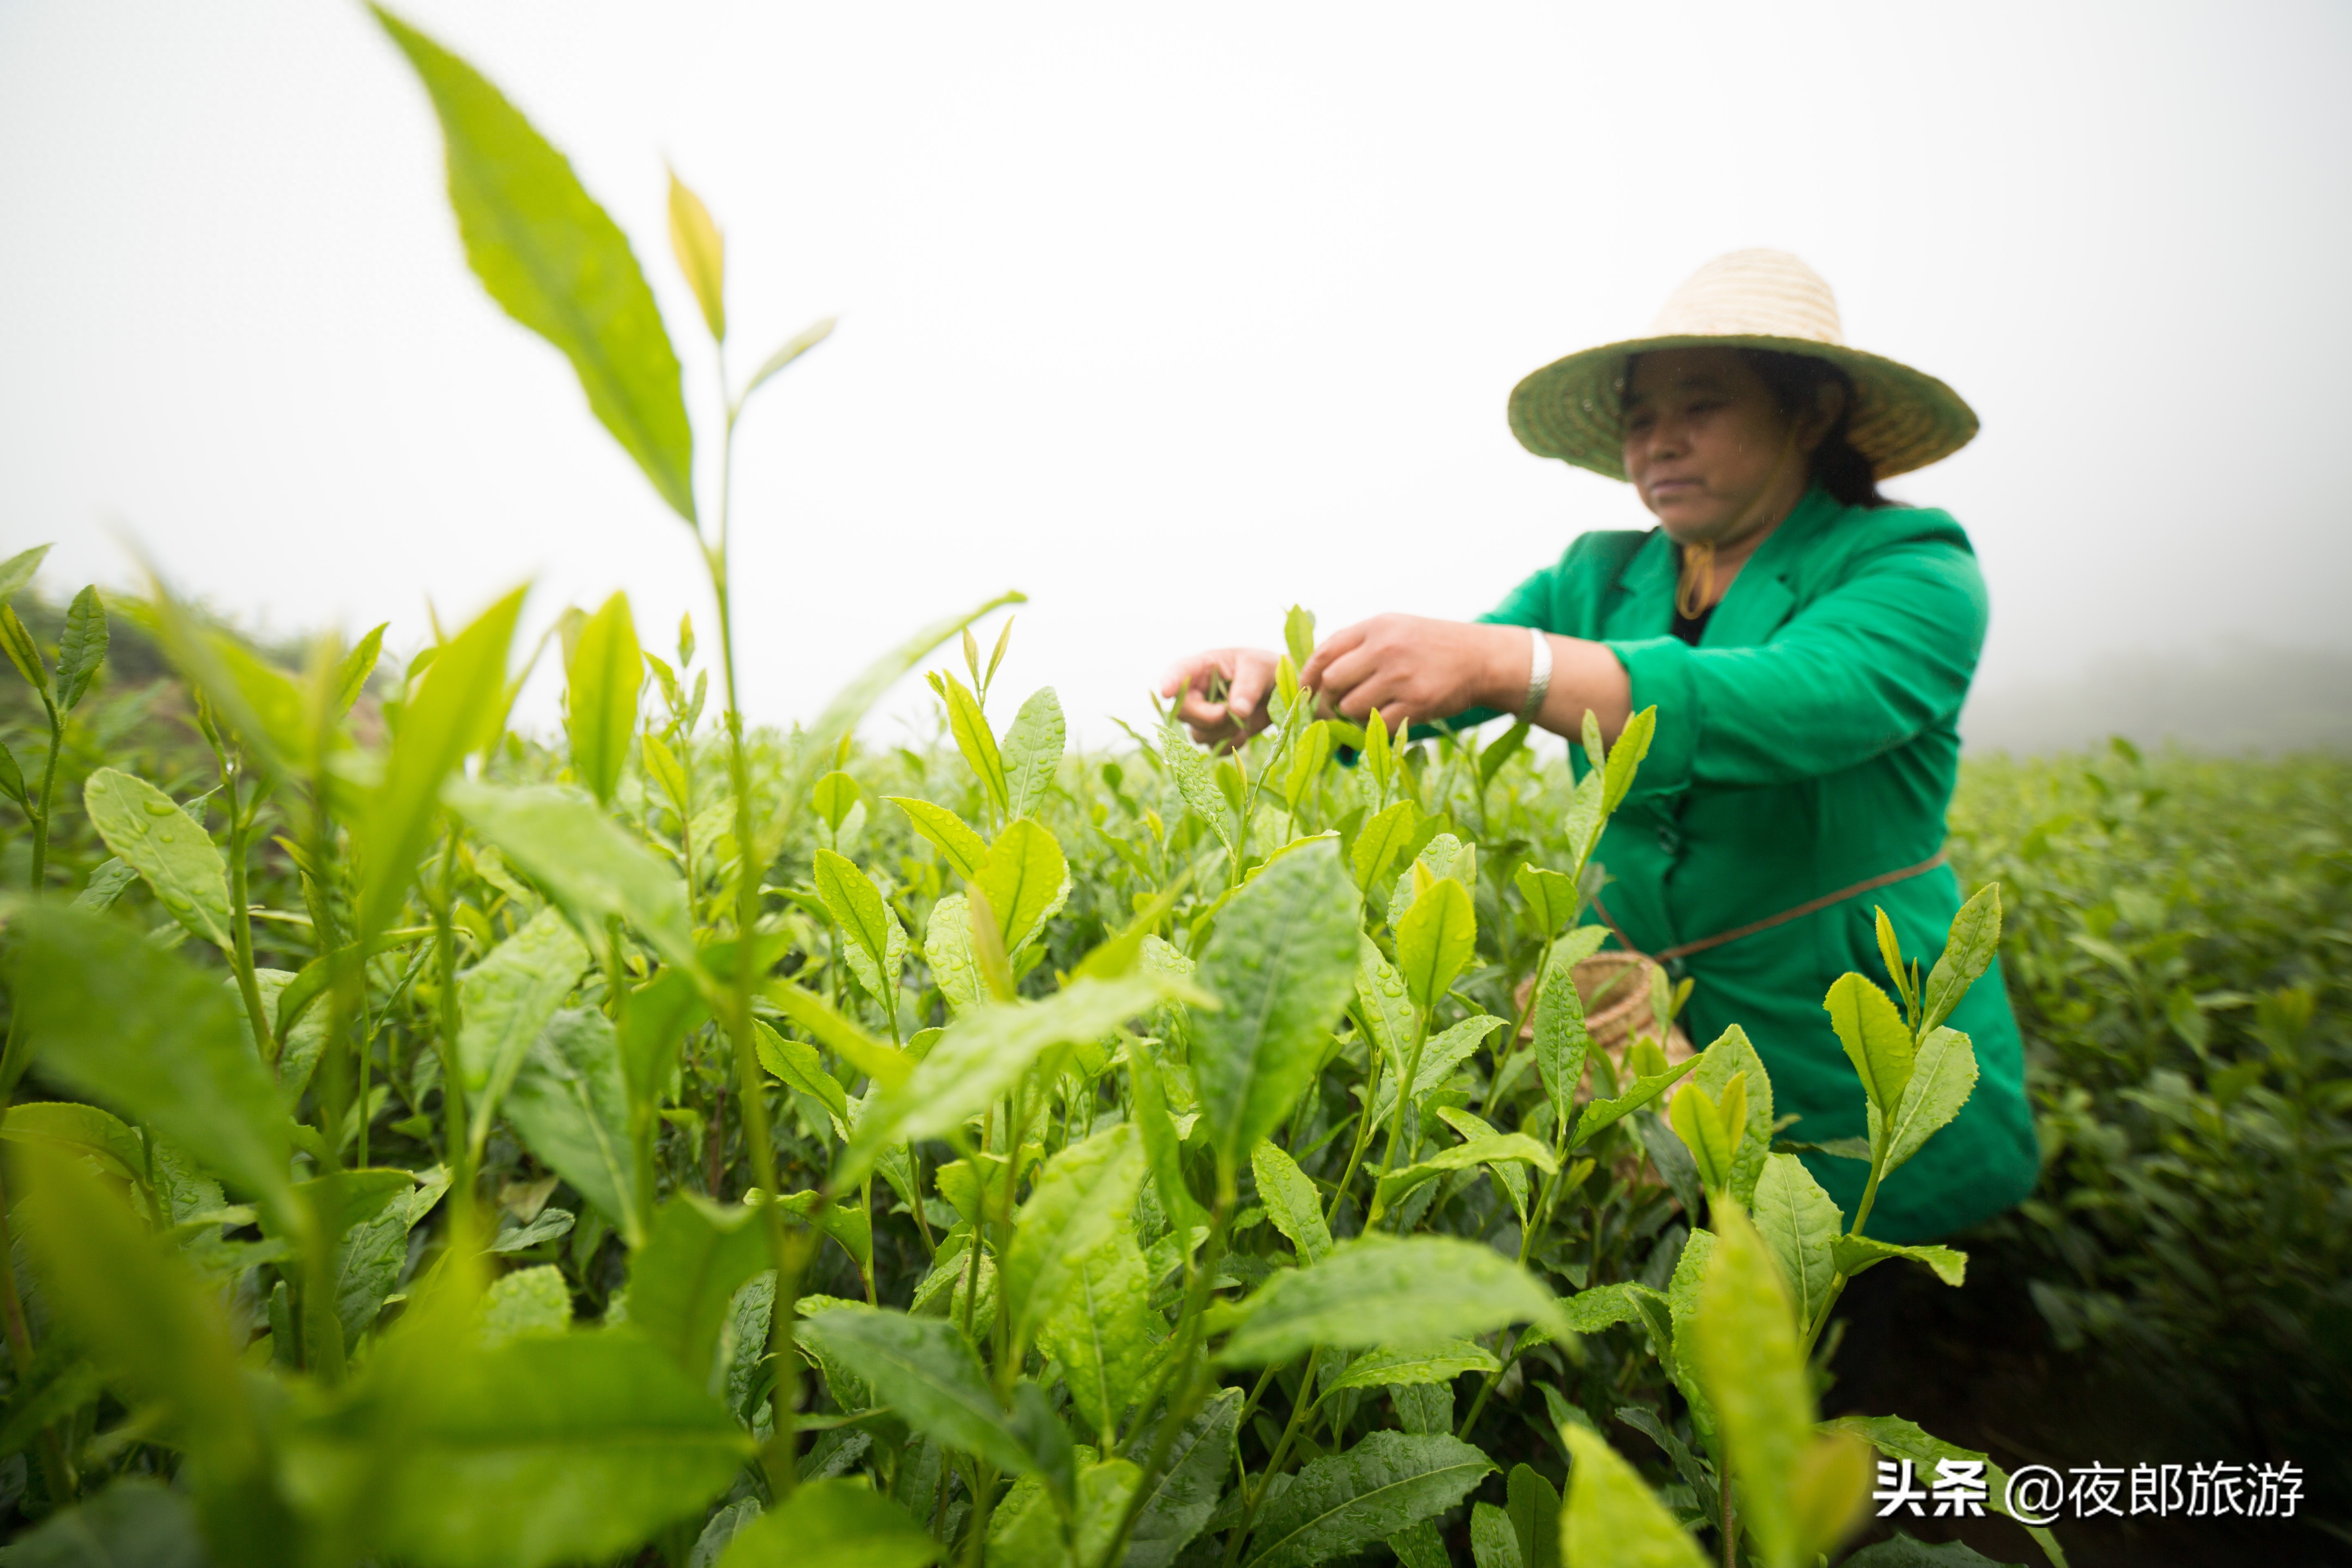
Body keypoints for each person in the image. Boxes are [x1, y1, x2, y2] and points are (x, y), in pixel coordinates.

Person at [1158, 249, 2038, 1243]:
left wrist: (1511, 664)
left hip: (1841, 1036)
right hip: (1640, 1036)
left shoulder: (1909, 567)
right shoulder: (1596, 578)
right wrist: (1279, 692)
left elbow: (1803, 698)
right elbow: (1427, 689)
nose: (1659, 443)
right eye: (1639, 419)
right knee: (1672, 1316)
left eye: (1699, 406)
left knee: (1848, 1299)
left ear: (1813, 411)